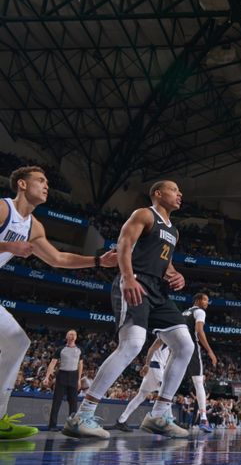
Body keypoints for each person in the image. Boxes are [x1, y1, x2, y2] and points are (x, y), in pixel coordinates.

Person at [63, 180, 195, 439]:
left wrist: (175, 274)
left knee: (185, 345)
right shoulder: (144, 214)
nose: (180, 194)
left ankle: (159, 413)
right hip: (135, 280)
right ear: (158, 193)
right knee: (133, 344)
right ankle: (82, 415)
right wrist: (128, 278)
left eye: (180, 190)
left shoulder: (174, 231)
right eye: (174, 189)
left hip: (158, 290)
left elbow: (164, 262)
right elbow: (124, 245)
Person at [0, 166, 117, 439]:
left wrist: (98, 260)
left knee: (18, 341)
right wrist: (7, 247)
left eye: (47, 182)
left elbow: (59, 259)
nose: (46, 186)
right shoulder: (3, 210)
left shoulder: (34, 226)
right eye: (40, 181)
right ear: (21, 184)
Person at [114, 337, 171, 432]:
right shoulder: (164, 336)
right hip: (155, 367)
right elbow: (151, 349)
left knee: (140, 396)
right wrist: (147, 365)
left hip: (157, 368)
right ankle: (170, 420)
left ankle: (121, 421)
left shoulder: (170, 342)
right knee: (166, 393)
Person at [182, 293, 218, 433]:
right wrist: (209, 351)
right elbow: (199, 330)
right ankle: (203, 418)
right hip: (191, 348)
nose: (207, 303)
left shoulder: (184, 312)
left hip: (177, 347)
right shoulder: (199, 311)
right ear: (197, 300)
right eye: (205, 300)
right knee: (198, 383)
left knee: (171, 380)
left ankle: (163, 415)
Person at [43, 330, 83, 430]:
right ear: (66, 336)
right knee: (57, 401)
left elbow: (80, 364)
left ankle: (72, 425)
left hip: (73, 375)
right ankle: (52, 425)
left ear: (76, 337)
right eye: (70, 334)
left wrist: (78, 380)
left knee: (73, 402)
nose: (73, 336)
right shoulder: (61, 349)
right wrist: (47, 377)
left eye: (74, 334)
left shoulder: (79, 350)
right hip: (62, 375)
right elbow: (53, 363)